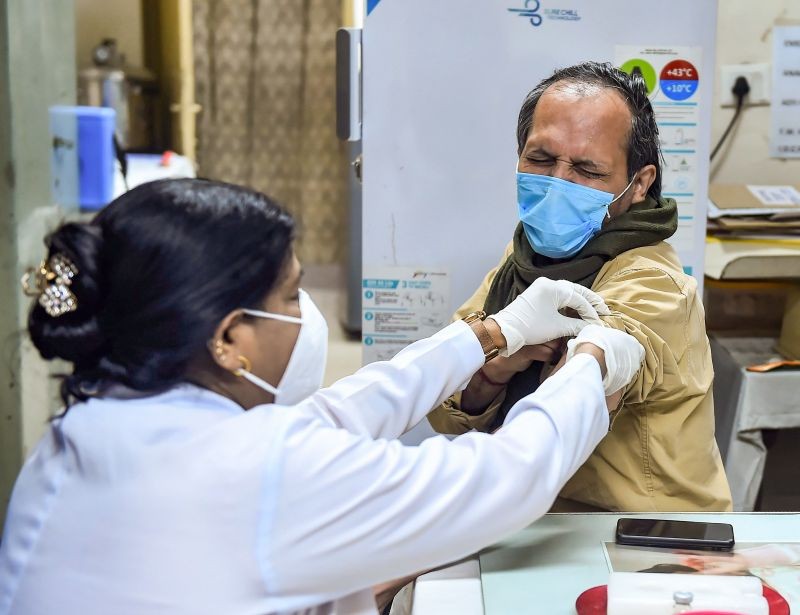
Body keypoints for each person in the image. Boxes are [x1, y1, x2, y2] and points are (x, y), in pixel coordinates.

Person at [0, 179, 645, 615]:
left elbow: (330, 417)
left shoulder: (77, 434)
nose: (303, 315)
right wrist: (588, 367)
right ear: (228, 338)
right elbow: (503, 479)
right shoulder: (255, 476)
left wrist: (487, 335)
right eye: (289, 296)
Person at [427, 61, 732, 512]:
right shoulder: (523, 262)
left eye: (587, 169)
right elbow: (442, 405)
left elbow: (573, 404)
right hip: (540, 521)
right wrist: (493, 367)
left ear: (638, 185)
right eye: (541, 159)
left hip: (641, 537)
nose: (557, 183)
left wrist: (590, 358)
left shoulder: (656, 283)